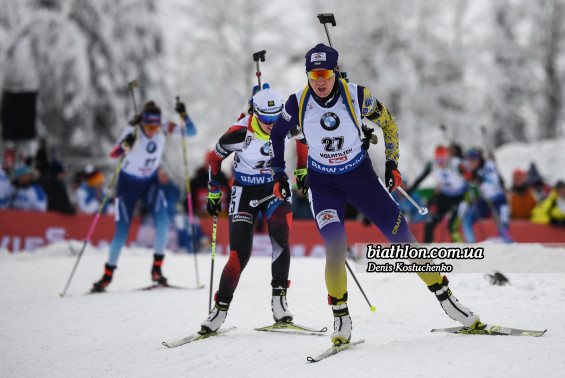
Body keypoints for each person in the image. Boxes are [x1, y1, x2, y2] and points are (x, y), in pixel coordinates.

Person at [268, 44, 480, 345]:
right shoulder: (297, 103)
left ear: (335, 72)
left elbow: (389, 124)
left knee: (403, 239)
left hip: (360, 178)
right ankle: (341, 318)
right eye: (314, 75)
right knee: (336, 248)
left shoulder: (357, 95)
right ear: (307, 75)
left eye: (326, 74)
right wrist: (279, 173)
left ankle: (447, 299)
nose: (320, 81)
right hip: (323, 184)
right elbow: (277, 134)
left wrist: (392, 163)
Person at [200, 87, 303, 332]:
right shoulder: (239, 133)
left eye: (275, 117)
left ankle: (280, 301)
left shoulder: (286, 122)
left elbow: (303, 141)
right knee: (239, 255)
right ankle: (220, 310)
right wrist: (214, 191)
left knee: (281, 240)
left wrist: (302, 171)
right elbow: (215, 160)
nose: (271, 124)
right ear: (255, 113)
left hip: (275, 188)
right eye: (265, 118)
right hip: (244, 192)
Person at [91, 99, 196, 292]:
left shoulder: (163, 128)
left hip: (150, 183)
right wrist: (126, 145)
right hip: (128, 185)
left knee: (163, 223)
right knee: (121, 233)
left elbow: (191, 132)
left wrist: (184, 116)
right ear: (142, 122)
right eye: (148, 126)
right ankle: (107, 276)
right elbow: (114, 154)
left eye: (155, 126)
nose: (152, 130)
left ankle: (157, 270)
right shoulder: (132, 131)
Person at [410, 146, 467, 242]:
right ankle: (426, 251)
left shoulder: (456, 163)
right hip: (444, 196)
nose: (440, 163)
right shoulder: (432, 164)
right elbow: (421, 178)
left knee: (452, 226)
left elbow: (469, 174)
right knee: (429, 224)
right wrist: (410, 190)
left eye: (442, 160)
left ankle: (460, 248)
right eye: (438, 160)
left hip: (459, 197)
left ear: (447, 157)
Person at [461, 148, 513, 242]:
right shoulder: (469, 166)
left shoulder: (488, 164)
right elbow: (467, 178)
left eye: (474, 159)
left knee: (502, 229)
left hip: (499, 200)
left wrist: (479, 177)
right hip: (485, 200)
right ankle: (470, 246)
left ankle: (511, 246)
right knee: (467, 220)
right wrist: (469, 178)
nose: (472, 162)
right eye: (470, 160)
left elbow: (494, 180)